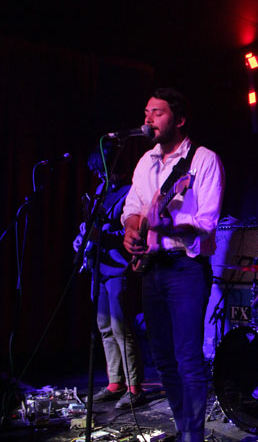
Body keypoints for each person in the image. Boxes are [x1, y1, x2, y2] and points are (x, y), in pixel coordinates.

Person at [122, 88, 225, 442]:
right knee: (163, 359)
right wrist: (132, 232)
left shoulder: (203, 161)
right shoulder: (145, 161)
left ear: (179, 120)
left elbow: (206, 222)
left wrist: (167, 225)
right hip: (151, 267)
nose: (148, 119)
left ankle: (193, 436)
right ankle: (183, 429)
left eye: (158, 112)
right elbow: (132, 209)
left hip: (186, 268)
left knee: (188, 359)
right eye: (146, 112)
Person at [73, 144, 145, 409]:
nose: (99, 176)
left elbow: (131, 233)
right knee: (104, 326)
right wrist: (84, 236)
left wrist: (100, 235)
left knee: (120, 327)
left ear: (113, 166)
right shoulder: (101, 191)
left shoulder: (130, 192)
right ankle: (116, 382)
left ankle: (135, 387)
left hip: (118, 267)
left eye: (101, 170)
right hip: (99, 267)